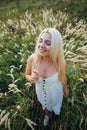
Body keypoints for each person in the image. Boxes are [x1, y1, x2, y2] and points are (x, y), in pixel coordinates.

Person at [25, 28, 69, 126]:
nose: (41, 46)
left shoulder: (60, 62)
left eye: (48, 43)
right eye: (40, 41)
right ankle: (47, 115)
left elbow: (63, 76)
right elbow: (27, 75)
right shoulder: (32, 59)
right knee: (45, 105)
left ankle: (56, 113)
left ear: (56, 46)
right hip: (41, 91)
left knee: (55, 103)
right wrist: (31, 78)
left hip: (55, 91)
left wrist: (65, 89)